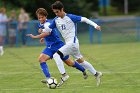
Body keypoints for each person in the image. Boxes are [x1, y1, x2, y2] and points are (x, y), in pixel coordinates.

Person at [42, 1, 103, 86]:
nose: (56, 14)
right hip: (71, 44)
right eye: (54, 12)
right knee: (81, 62)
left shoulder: (70, 17)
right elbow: (48, 29)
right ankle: (96, 74)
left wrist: (95, 25)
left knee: (56, 55)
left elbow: (84, 19)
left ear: (62, 9)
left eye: (57, 12)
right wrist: (42, 34)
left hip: (72, 43)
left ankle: (64, 75)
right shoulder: (56, 20)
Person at [26, 8, 88, 87]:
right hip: (49, 47)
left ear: (46, 16)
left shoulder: (47, 24)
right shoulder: (41, 24)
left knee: (70, 63)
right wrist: (42, 38)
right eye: (39, 18)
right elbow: (46, 33)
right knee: (41, 59)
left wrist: (36, 37)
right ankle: (48, 78)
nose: (41, 19)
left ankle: (83, 70)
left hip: (58, 46)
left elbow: (47, 33)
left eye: (42, 17)